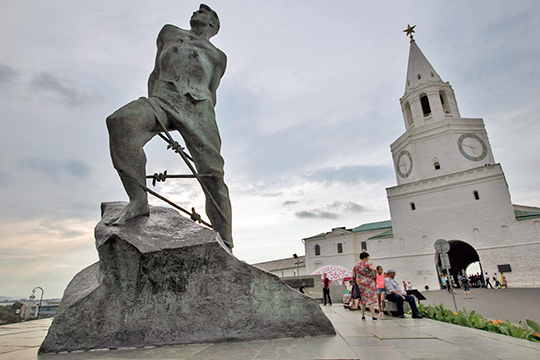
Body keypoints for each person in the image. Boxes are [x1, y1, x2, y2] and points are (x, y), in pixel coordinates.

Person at [106, 4, 233, 250]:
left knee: (213, 175)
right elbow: (155, 72)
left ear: (214, 24)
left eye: (204, 11)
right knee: (119, 122)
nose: (197, 11)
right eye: (198, 9)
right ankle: (138, 201)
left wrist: (202, 125)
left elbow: (212, 89)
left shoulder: (218, 56)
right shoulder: (169, 32)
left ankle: (226, 241)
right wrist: (154, 113)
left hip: (199, 108)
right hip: (162, 98)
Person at [353, 252, 378, 321]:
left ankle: (363, 315)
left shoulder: (356, 265)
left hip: (360, 284)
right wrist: (374, 276)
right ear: (365, 257)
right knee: (370, 299)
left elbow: (353, 275)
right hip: (368, 283)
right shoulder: (368, 263)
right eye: (367, 257)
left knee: (362, 300)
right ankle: (373, 316)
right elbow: (374, 269)